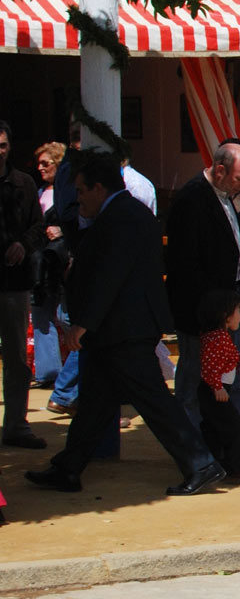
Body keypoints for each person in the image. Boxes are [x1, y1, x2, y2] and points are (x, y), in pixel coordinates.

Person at [25, 151, 224, 495]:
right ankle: (68, 467)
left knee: (154, 402)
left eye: (82, 190)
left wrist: (82, 325)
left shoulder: (121, 217)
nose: (78, 198)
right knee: (93, 403)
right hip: (119, 330)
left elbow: (110, 277)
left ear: (99, 188)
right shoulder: (125, 213)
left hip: (125, 330)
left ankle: (201, 463)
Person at [165, 141, 240, 435]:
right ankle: (196, 449)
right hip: (205, 312)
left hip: (229, 305)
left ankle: (227, 444)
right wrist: (212, 316)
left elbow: (225, 239)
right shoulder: (192, 199)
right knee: (197, 381)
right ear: (220, 170)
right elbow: (186, 263)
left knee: (234, 379)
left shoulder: (222, 194)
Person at [0, 121, 48, 448]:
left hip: (14, 282)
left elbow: (38, 226)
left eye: (2, 145)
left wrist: (23, 245)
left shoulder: (24, 184)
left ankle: (16, 424)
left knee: (17, 356)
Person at [191, 291, 240, 481]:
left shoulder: (216, 336)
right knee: (232, 428)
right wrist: (217, 387)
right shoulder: (217, 338)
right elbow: (209, 366)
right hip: (215, 391)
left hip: (215, 389)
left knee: (214, 428)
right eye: (238, 311)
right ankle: (235, 465)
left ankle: (215, 463)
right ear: (225, 316)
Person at [29, 141, 65, 389]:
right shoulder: (39, 191)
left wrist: (63, 230)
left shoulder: (69, 192)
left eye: (46, 163)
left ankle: (71, 376)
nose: (40, 168)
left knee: (66, 316)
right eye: (39, 164)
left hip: (61, 262)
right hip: (40, 263)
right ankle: (48, 372)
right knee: (41, 314)